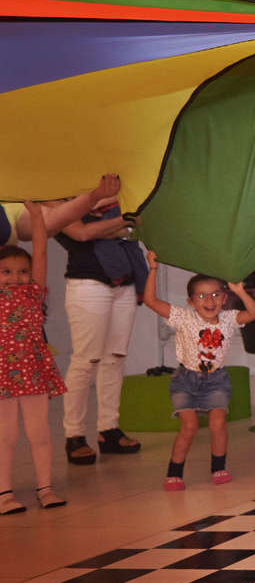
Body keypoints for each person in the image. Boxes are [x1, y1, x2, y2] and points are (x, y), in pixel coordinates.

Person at [142, 250, 255, 490]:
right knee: (189, 427)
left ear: (224, 298)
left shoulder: (228, 318)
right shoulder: (183, 317)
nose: (210, 301)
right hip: (185, 380)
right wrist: (153, 269)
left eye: (216, 295)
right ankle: (174, 473)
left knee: (218, 424)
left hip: (216, 380)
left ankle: (219, 467)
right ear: (191, 301)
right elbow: (151, 301)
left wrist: (240, 291)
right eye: (202, 296)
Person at [55, 182, 147, 464]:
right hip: (87, 283)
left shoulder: (116, 192)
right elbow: (80, 234)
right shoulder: (54, 198)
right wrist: (124, 223)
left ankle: (109, 429)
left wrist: (116, 228)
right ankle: (74, 436)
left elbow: (138, 229)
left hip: (125, 282)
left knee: (115, 357)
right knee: (86, 360)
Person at [0, 202, 68, 514]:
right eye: (6, 272)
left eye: (22, 272)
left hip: (32, 370)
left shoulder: (32, 294)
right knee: (6, 435)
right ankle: (4, 494)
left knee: (40, 432)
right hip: (3, 373)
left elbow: (40, 252)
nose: (16, 278)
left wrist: (38, 217)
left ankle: (45, 488)